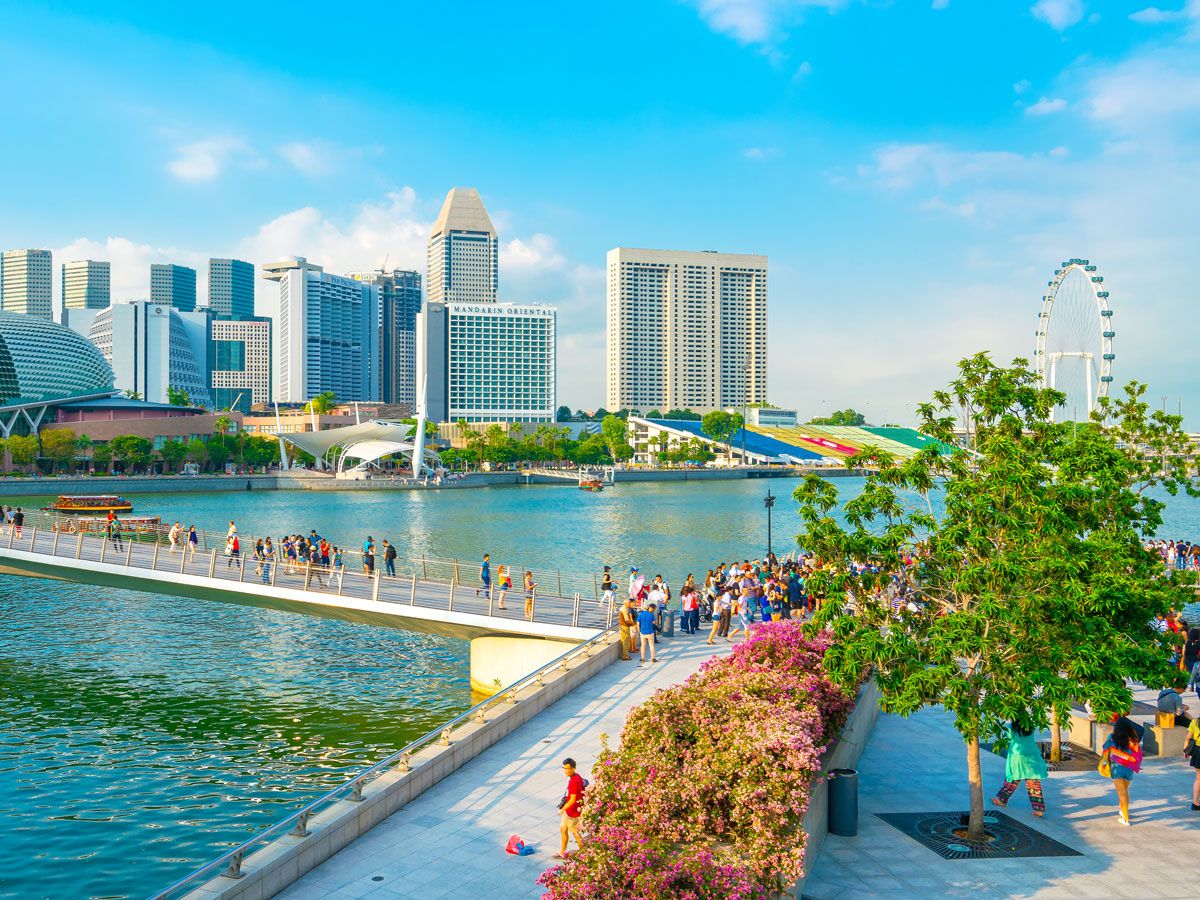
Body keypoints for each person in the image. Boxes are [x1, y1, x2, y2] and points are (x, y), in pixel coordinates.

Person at [992, 719, 1048, 817]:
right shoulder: (1030, 726)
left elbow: (1008, 738)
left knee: (1012, 780)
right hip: (1032, 755)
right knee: (1034, 784)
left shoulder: (1011, 728)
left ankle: (1002, 800)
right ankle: (1039, 810)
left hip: (1018, 757)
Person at [1101, 716, 1144, 826]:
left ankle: (1125, 818)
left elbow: (1106, 750)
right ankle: (1123, 810)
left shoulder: (1112, 737)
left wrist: (1104, 764)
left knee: (1121, 793)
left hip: (1117, 768)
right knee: (1125, 791)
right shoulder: (1134, 740)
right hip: (1129, 768)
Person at [556, 758, 585, 859]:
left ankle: (584, 854)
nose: (565, 771)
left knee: (575, 832)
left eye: (567, 769)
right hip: (569, 810)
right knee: (563, 829)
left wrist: (562, 809)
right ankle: (562, 851)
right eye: (564, 768)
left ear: (573, 768)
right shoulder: (576, 777)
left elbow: (572, 800)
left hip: (572, 812)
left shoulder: (574, 781)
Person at [1186, 715, 1200, 811]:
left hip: (1198, 751)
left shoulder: (1195, 721)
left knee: (1198, 779)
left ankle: (1195, 802)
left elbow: (1188, 738)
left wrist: (1186, 751)